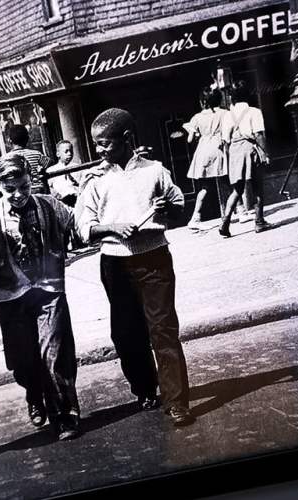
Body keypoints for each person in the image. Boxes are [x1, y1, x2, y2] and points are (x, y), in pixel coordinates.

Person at [77, 108, 194, 428]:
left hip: (154, 258)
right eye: (96, 144)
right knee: (126, 335)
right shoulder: (94, 179)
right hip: (115, 263)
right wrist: (113, 228)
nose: (100, 151)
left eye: (106, 144)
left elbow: (180, 208)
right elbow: (84, 227)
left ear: (127, 139)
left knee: (164, 330)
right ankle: (145, 389)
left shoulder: (155, 171)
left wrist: (167, 207)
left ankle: (177, 402)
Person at [0, 155, 81, 441]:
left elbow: (79, 223)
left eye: (24, 187)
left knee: (55, 354)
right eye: (10, 190)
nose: (18, 195)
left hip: (48, 291)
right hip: (11, 297)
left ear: (31, 180)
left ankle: (65, 414)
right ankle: (33, 394)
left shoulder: (49, 205)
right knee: (23, 362)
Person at [219, 81, 272, 237]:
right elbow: (259, 135)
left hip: (234, 150)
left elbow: (225, 140)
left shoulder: (227, 115)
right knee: (258, 186)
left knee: (237, 189)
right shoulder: (254, 112)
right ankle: (259, 222)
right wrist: (265, 153)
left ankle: (225, 223)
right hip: (250, 149)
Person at [183, 87, 228, 231]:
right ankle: (240, 210)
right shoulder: (224, 113)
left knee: (205, 187)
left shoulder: (197, 117)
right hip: (218, 148)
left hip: (203, 150)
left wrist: (190, 130)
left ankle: (195, 218)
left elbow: (190, 140)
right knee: (228, 180)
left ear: (203, 101)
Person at [3, 124, 52, 195]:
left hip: (20, 191)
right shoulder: (36, 154)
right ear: (27, 139)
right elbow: (49, 163)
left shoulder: (7, 158)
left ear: (9, 140)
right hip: (38, 189)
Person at [46, 140, 82, 208]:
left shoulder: (78, 167)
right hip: (62, 203)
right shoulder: (51, 170)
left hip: (78, 201)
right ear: (58, 154)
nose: (69, 154)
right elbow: (49, 188)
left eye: (71, 151)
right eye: (66, 151)